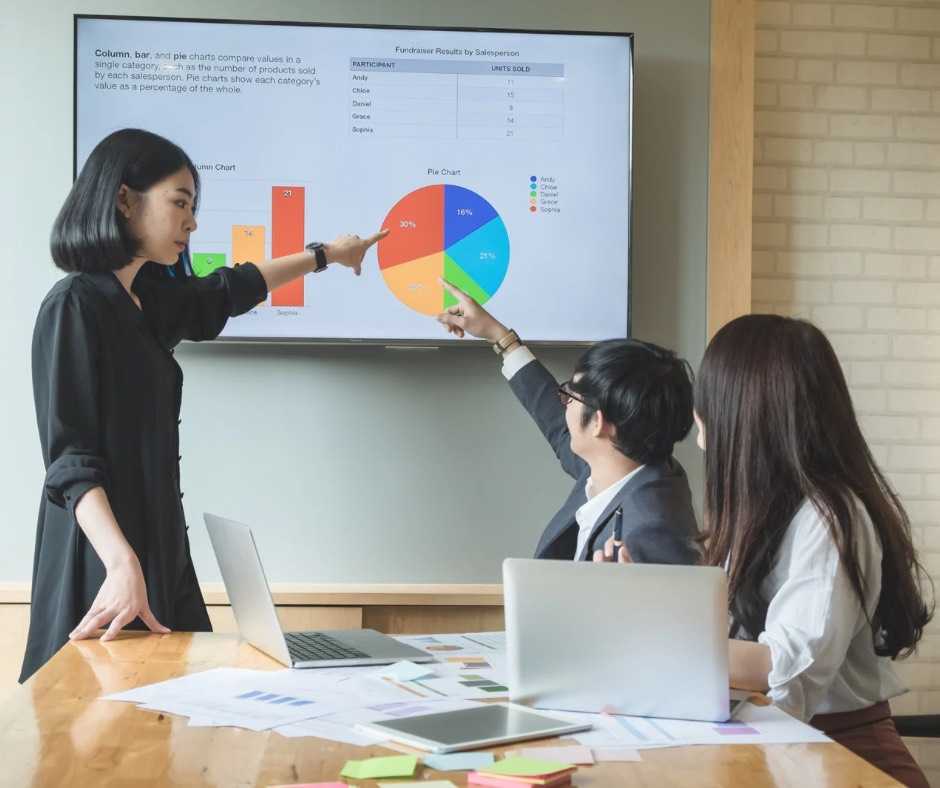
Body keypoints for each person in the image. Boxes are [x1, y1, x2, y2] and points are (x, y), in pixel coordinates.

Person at [21, 128, 385, 682]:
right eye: (180, 203)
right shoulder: (75, 304)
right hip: (102, 558)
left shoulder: (148, 300)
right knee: (95, 743)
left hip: (159, 548)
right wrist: (121, 564)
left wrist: (326, 255)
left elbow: (228, 289)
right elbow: (71, 460)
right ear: (124, 199)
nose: (192, 222)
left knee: (176, 720)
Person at [598, 314, 932, 787]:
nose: (701, 439)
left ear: (744, 419)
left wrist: (651, 632)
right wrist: (647, 605)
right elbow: (742, 643)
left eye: (705, 419)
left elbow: (788, 665)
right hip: (786, 746)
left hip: (846, 760)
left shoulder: (829, 518)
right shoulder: (765, 511)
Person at [437, 281, 699, 565]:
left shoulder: (650, 531)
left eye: (569, 396)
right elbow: (557, 424)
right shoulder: (626, 465)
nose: (564, 405)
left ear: (599, 423)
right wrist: (499, 336)